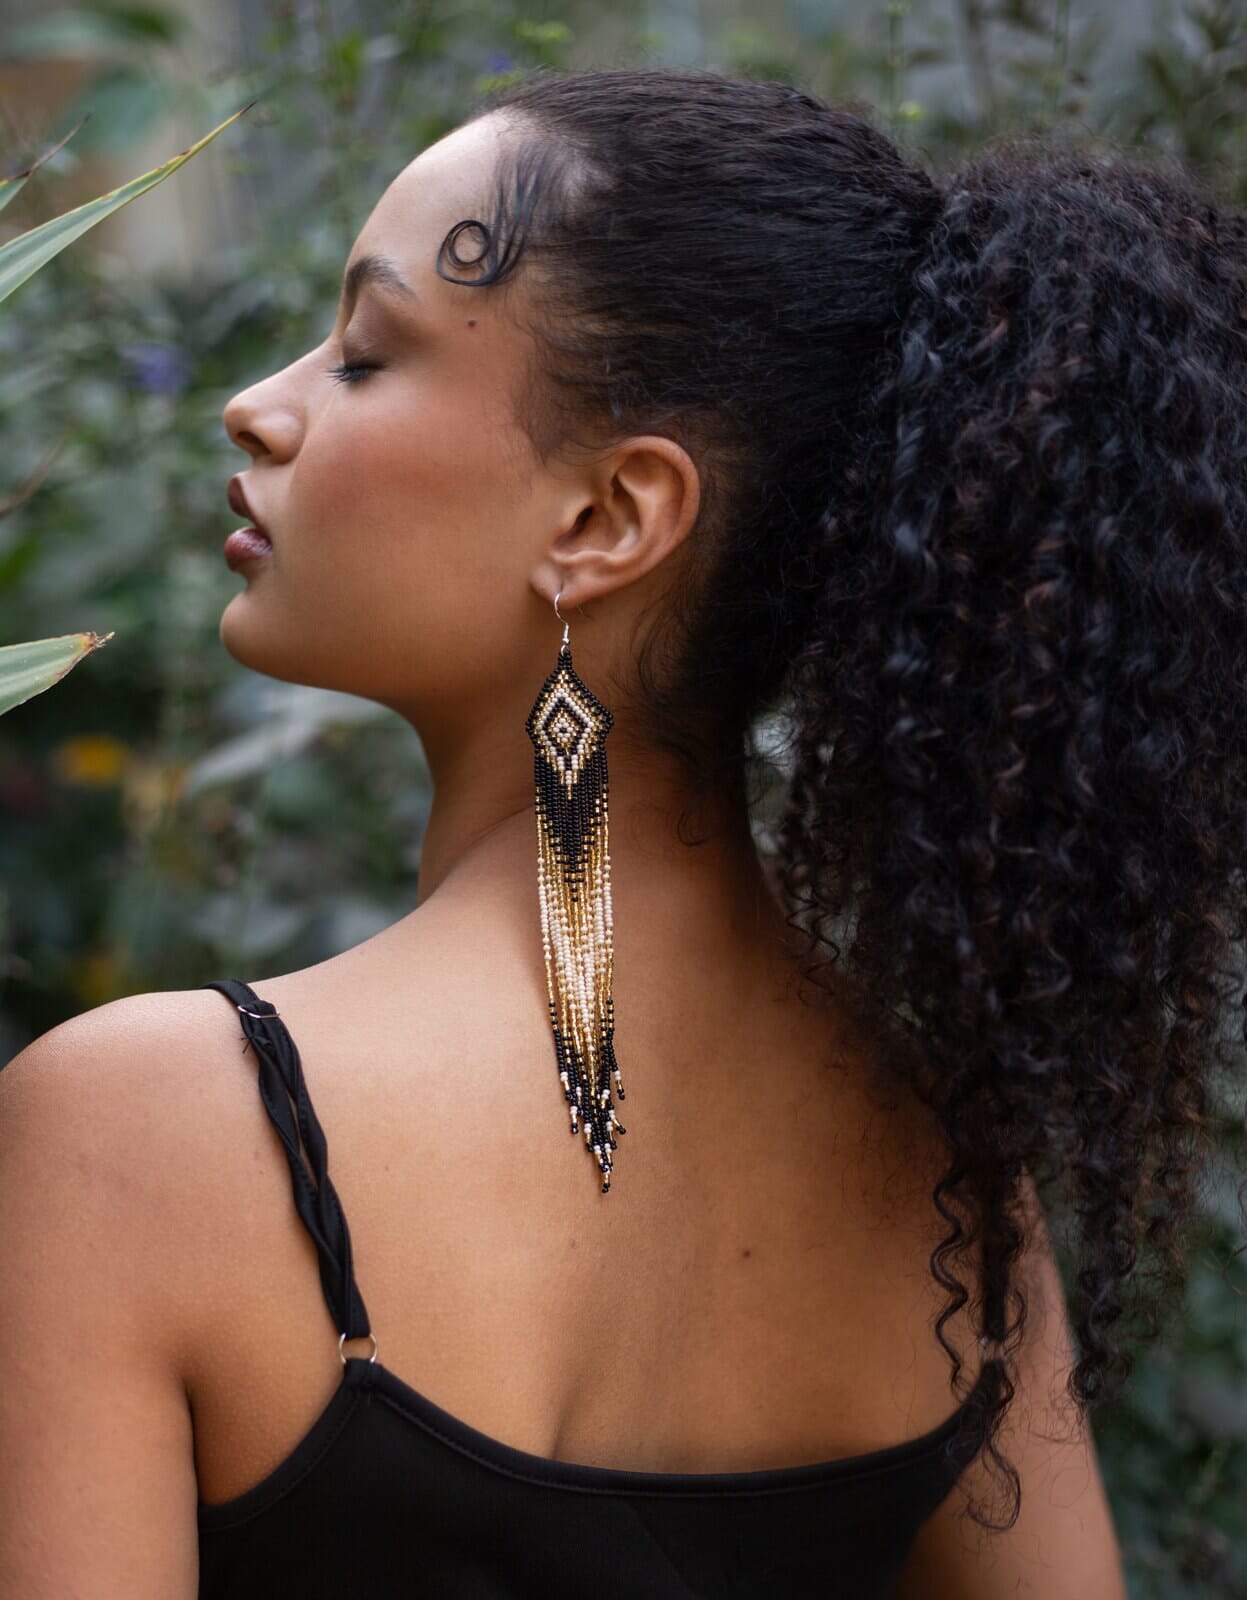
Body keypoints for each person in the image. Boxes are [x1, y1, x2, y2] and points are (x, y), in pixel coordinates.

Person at [3, 61, 1243, 1598]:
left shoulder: (142, 1134)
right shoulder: (946, 1192)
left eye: (367, 356)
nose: (258, 406)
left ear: (607, 521)